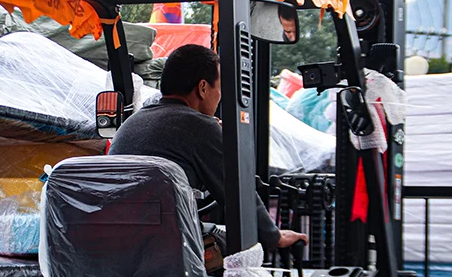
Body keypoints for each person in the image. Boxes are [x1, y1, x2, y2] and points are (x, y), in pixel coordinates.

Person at [109, 44, 307, 254]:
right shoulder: (198, 126)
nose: (220, 96)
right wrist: (274, 236)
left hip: (118, 247)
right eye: (219, 87)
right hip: (164, 251)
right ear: (203, 88)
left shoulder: (133, 122)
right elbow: (237, 191)